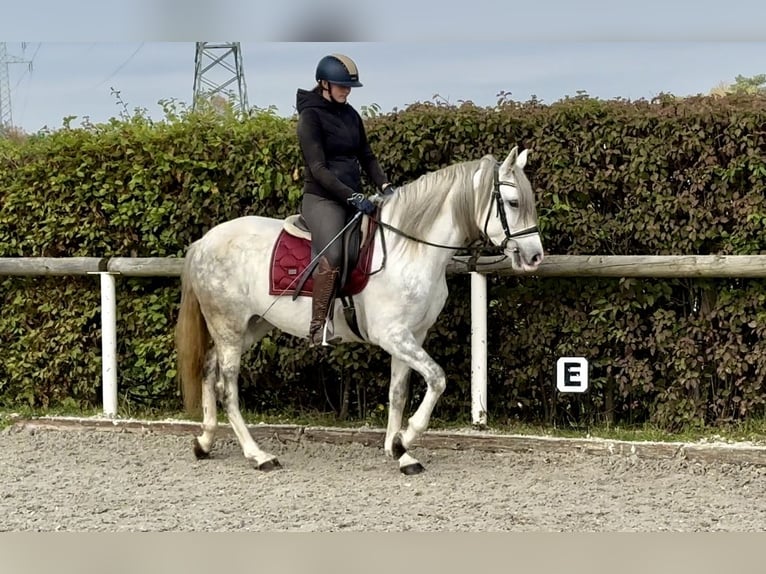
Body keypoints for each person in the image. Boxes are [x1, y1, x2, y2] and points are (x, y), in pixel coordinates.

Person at [295, 53, 396, 347]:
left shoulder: (351, 115)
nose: (346, 90)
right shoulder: (310, 117)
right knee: (334, 255)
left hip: (354, 197)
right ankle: (317, 328)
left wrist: (385, 185)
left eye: (349, 86)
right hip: (323, 199)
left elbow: (367, 156)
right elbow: (318, 169)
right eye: (341, 86)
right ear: (324, 84)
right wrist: (352, 196)